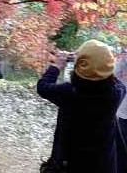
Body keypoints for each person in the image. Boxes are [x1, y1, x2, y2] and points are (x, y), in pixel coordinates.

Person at [37, 40, 124, 173]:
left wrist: (57, 65)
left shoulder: (70, 93)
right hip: (105, 164)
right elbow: (113, 78)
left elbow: (43, 87)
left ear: (80, 65)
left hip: (73, 162)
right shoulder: (116, 94)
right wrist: (97, 61)